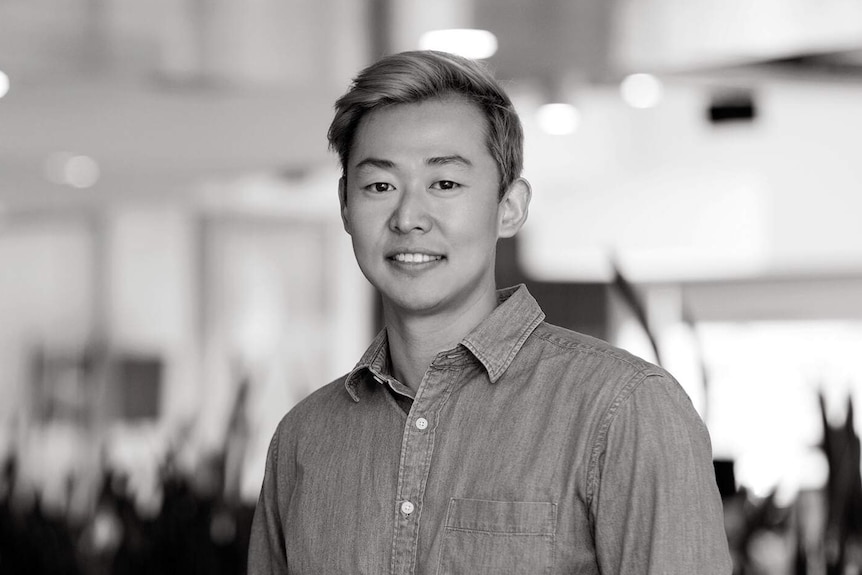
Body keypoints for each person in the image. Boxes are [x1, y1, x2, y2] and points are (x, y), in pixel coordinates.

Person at [248, 50, 732, 574]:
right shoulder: (304, 440)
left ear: (510, 207)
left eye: (446, 184)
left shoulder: (624, 411)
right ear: (345, 204)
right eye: (380, 186)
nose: (409, 217)